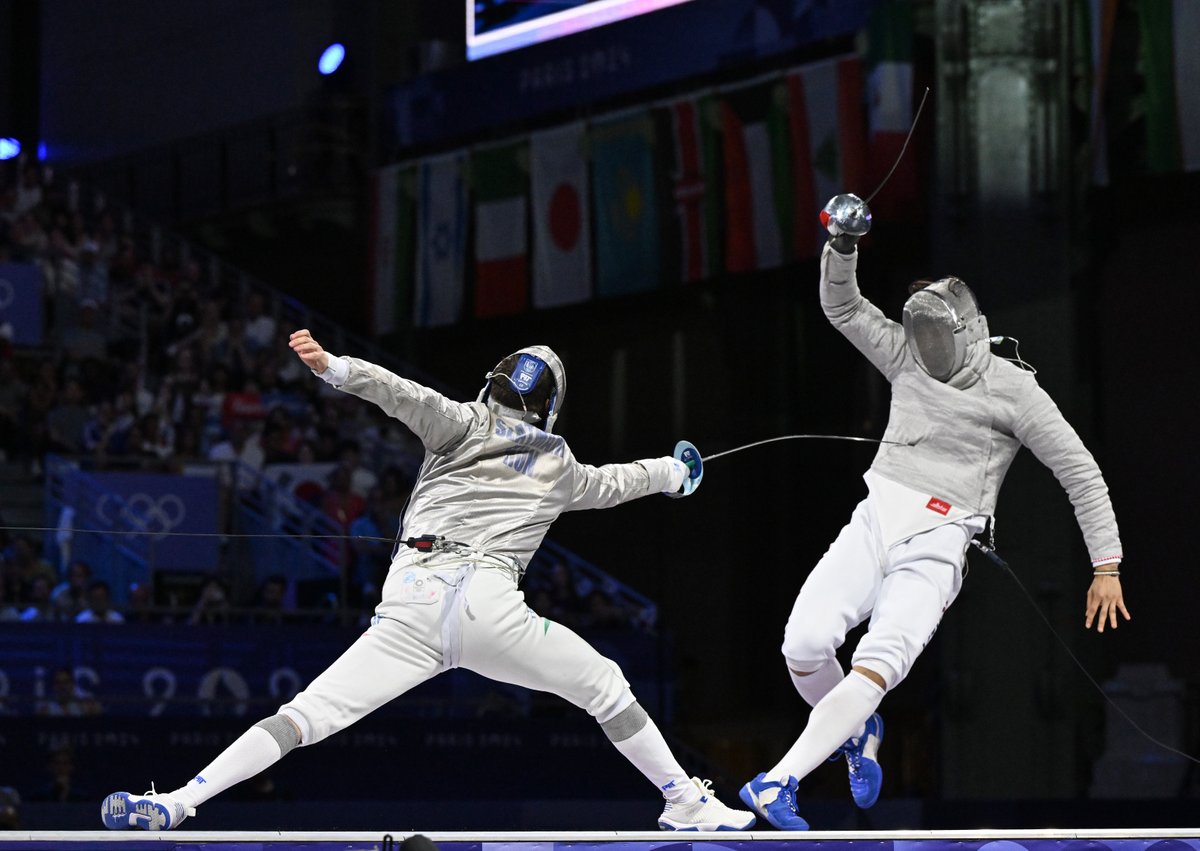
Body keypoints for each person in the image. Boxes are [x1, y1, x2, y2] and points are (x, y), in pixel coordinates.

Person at [101, 330, 750, 832]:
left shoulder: (463, 423)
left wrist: (335, 368)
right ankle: (682, 800)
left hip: (409, 604)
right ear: (552, 406)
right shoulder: (559, 463)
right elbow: (621, 481)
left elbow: (401, 392)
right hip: (489, 609)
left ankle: (182, 799)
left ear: (493, 384)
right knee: (605, 684)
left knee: (305, 715)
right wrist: (675, 471)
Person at [739, 195, 1129, 829]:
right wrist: (841, 246)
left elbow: (1078, 470)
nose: (923, 346)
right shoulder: (907, 356)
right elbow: (841, 306)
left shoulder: (1015, 389)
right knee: (804, 644)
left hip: (944, 537)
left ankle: (780, 781)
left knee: (881, 658)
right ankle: (859, 732)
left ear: (968, 332)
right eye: (917, 333)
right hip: (878, 515)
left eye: (935, 336)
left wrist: (1105, 563)